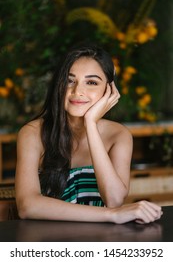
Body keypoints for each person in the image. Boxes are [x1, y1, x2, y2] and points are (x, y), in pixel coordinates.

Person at [15, 43, 162, 224]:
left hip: (101, 242)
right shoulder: (32, 134)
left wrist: (91, 124)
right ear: (58, 85)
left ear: (109, 90)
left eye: (91, 82)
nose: (77, 91)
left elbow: (114, 200)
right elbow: (27, 206)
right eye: (70, 80)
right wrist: (112, 215)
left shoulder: (119, 135)